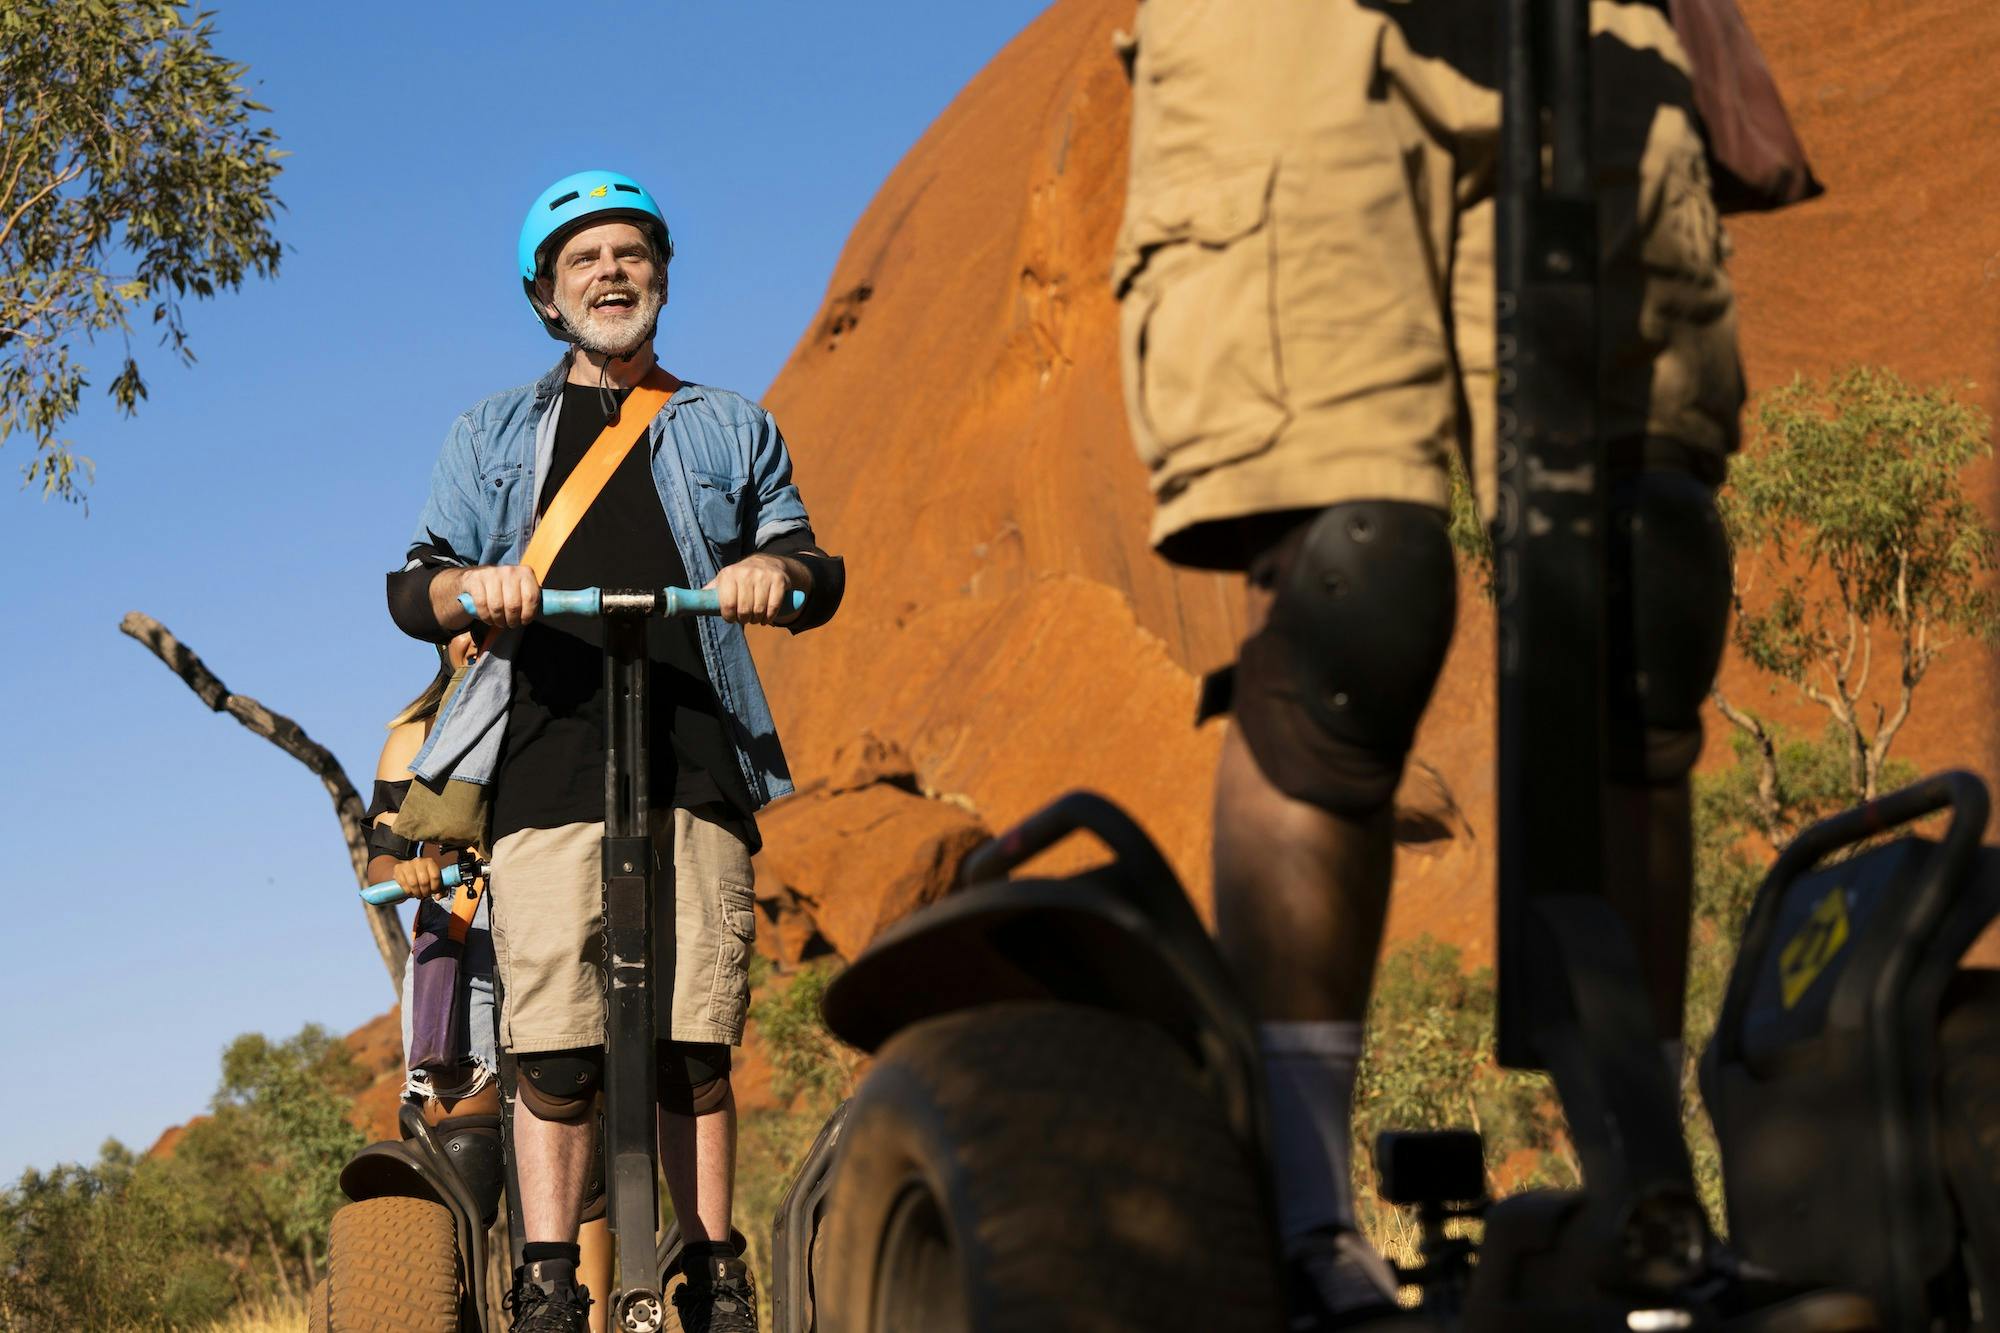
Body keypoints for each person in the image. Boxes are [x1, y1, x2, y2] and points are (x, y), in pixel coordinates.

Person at [1113, 5, 1738, 1325]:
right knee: (1357, 588)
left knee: (1648, 577)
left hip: (1602, 29)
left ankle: (1649, 1210)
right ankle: (1302, 1222)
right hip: (1305, 34)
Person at [386, 170, 844, 1333]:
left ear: (661, 279)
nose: (610, 273)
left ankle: (713, 1269)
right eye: (583, 259)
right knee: (552, 1042)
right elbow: (411, 581)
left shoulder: (730, 424)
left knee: (695, 1035)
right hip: (541, 755)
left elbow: (808, 560)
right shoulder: (489, 431)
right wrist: (466, 586)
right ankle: (548, 1276)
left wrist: (770, 574)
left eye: (630, 254)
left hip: (693, 748)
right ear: (547, 296)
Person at [363, 632, 617, 1332]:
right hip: (461, 930)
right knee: (465, 1152)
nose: (471, 637)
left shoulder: (559, 713)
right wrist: (408, 871)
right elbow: (379, 862)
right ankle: (452, 1313)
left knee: (576, 1137)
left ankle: (584, 1321)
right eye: (457, 618)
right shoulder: (416, 732)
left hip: (556, 911)